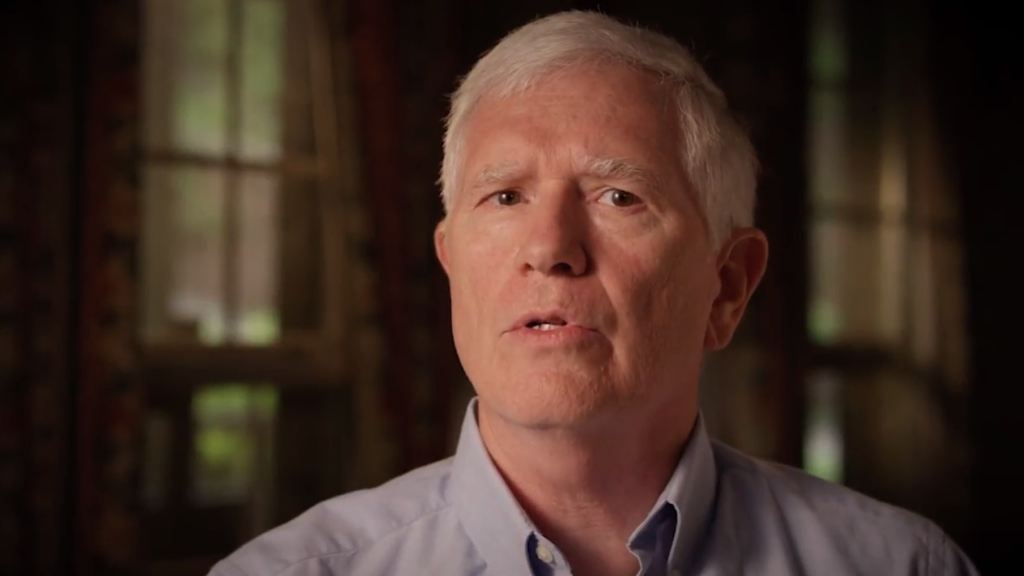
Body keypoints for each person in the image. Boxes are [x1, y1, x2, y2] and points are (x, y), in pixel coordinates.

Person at [209, 10, 978, 576]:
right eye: (505, 196)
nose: (549, 250)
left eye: (619, 197)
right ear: (451, 265)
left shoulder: (903, 565)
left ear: (728, 286)